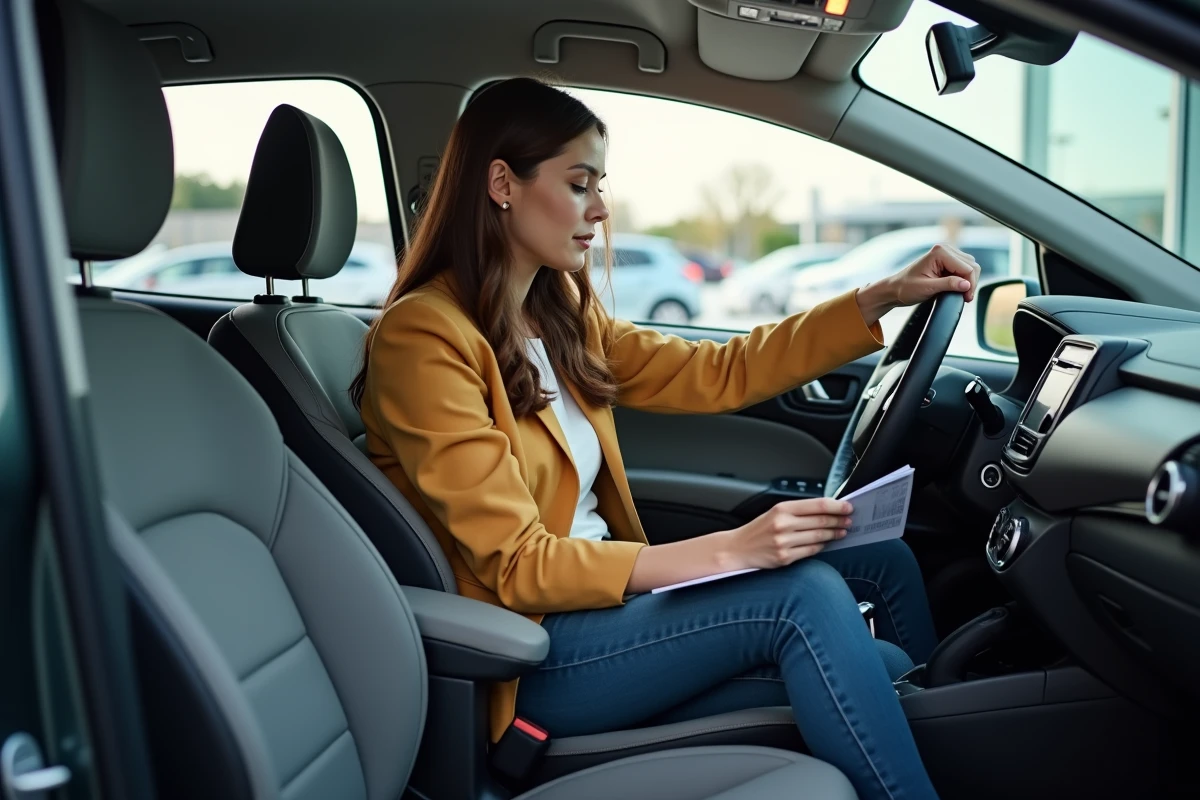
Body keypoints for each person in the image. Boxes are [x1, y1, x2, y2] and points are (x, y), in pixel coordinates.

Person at [353, 77, 979, 800]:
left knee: (883, 564)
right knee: (802, 596)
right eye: (579, 183)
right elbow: (519, 566)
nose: (601, 209)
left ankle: (952, 758)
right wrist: (733, 551)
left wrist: (880, 296)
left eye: (601, 185)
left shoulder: (558, 320)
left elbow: (723, 370)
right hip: (533, 651)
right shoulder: (423, 336)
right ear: (502, 183)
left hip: (605, 617)